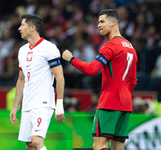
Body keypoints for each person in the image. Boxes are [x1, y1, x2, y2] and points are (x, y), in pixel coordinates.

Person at [62, 9, 137, 150]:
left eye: (102, 21)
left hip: (109, 103)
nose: (98, 25)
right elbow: (133, 81)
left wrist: (71, 59)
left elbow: (92, 69)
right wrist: (123, 95)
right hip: (125, 104)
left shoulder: (110, 46)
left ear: (113, 23)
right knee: (118, 147)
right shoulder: (131, 48)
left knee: (99, 145)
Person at [9, 14, 65, 150]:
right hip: (27, 103)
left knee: (36, 141)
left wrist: (60, 104)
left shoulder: (49, 48)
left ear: (32, 27)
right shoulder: (22, 51)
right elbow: (21, 80)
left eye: (22, 25)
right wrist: (15, 106)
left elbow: (60, 77)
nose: (19, 28)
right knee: (29, 145)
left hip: (43, 103)